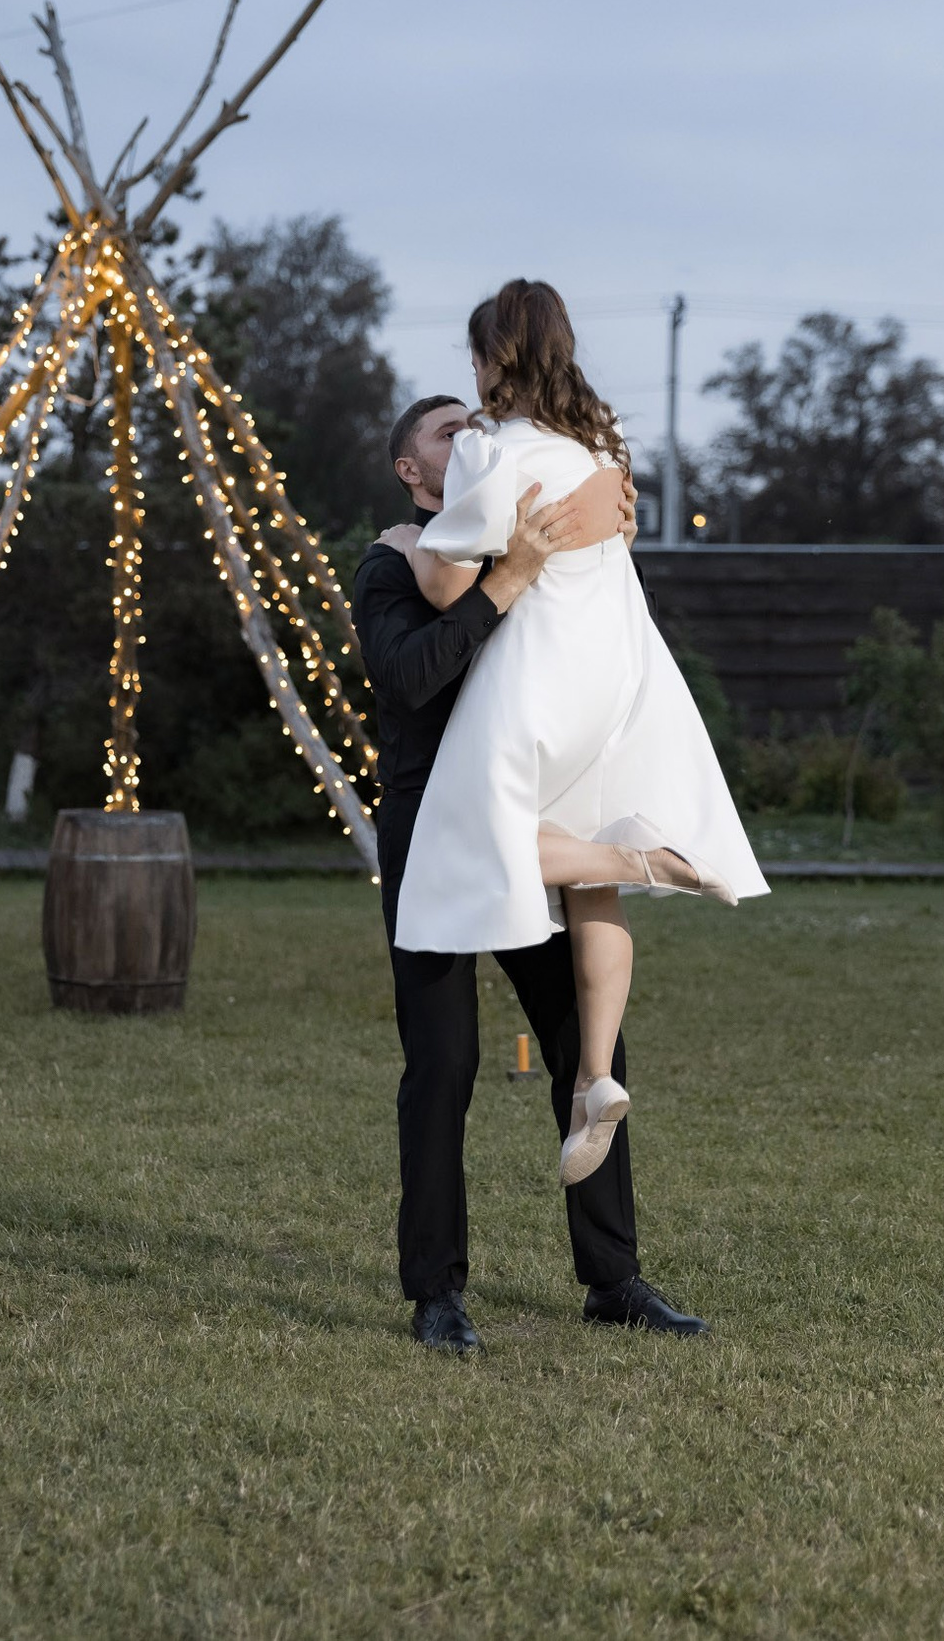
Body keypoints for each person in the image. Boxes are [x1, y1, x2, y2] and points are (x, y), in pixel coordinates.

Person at [355, 391, 710, 1354]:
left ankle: (615, 1279)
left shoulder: (524, 542)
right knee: (445, 1066)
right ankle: (437, 1294)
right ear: (412, 472)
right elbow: (412, 677)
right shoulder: (391, 565)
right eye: (444, 431)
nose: (468, 436)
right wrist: (503, 583)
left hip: (527, 830)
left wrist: (609, 513)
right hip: (433, 835)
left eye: (476, 422)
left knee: (589, 1047)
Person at [391, 280, 767, 1188]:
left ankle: (659, 860)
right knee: (588, 870)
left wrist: (409, 541)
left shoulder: (493, 450)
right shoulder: (600, 445)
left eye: (475, 359)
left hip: (539, 679)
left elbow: (447, 591)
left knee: (475, 835)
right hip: (621, 674)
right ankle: (595, 1076)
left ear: (495, 360)